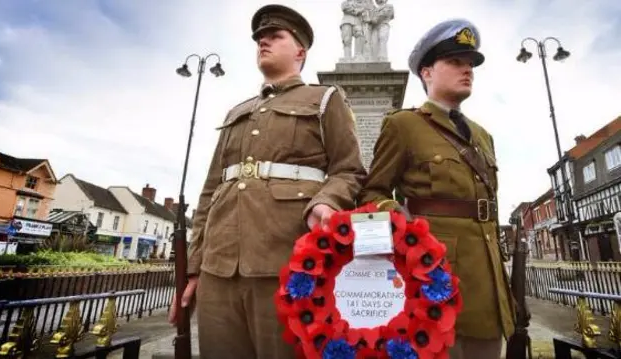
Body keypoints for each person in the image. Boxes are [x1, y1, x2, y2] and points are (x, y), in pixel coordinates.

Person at [168, 4, 367, 359]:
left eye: (275, 36)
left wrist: (326, 202)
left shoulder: (324, 100)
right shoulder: (237, 112)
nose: (264, 42)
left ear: (300, 51)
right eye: (260, 38)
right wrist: (195, 268)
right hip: (219, 269)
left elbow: (349, 170)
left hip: (284, 263)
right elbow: (211, 191)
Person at [357, 19, 516, 359]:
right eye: (456, 62)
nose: (467, 70)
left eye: (470, 64)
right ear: (427, 72)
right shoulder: (403, 125)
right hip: (436, 284)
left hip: (489, 288)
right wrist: (398, 218)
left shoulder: (482, 135)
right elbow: (371, 193)